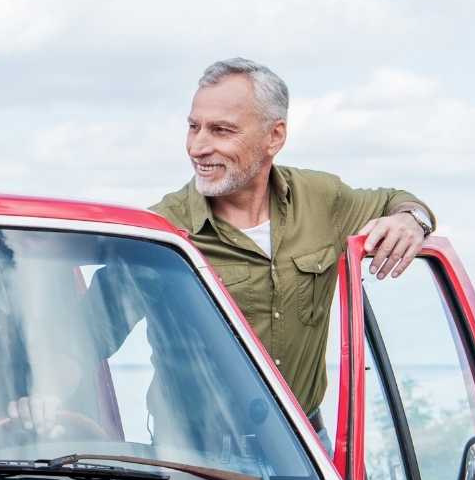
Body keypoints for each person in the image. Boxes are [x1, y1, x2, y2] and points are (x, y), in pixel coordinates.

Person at [148, 57, 434, 420]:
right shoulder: (161, 229)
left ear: (275, 136)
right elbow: (93, 333)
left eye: (221, 130)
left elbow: (397, 200)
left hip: (307, 447)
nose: (197, 147)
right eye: (194, 127)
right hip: (198, 459)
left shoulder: (322, 199)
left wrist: (412, 220)